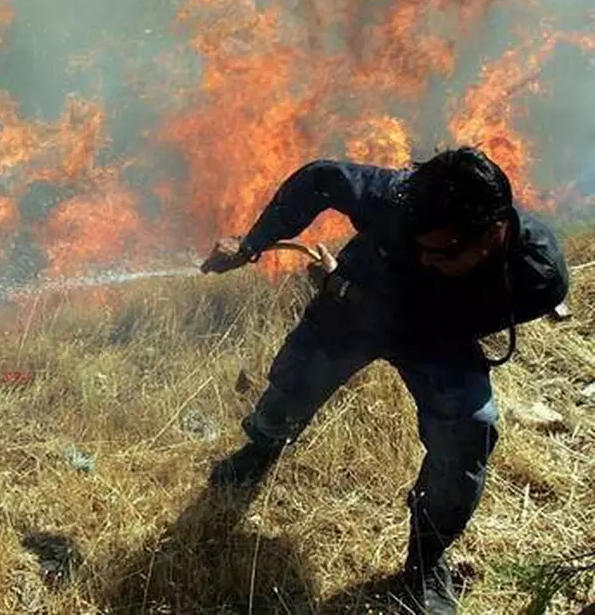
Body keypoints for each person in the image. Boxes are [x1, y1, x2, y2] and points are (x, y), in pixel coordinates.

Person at [200, 147, 570, 614]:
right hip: (356, 305)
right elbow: (321, 178)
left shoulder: (538, 277)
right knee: (295, 384)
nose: (423, 259)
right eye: (415, 244)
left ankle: (426, 560)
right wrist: (253, 242)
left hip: (435, 333)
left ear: (494, 232)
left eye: (441, 252)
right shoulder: (396, 199)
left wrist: (349, 293)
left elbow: (451, 324)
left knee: (469, 428)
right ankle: (262, 445)